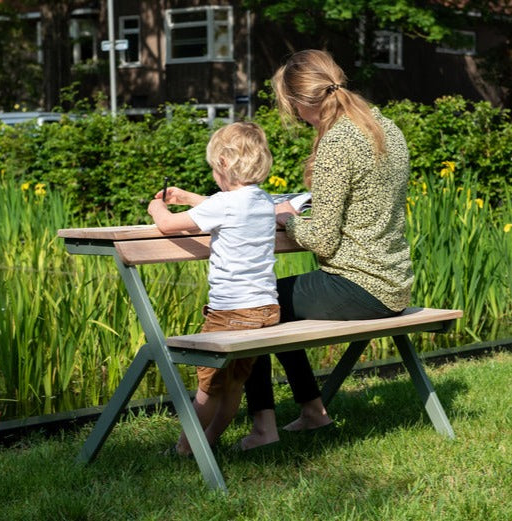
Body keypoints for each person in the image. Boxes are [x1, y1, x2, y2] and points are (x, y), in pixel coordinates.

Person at [241, 49, 414, 450]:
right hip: (393, 282)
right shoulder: (383, 126)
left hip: (359, 284)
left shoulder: (338, 141)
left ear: (301, 102)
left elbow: (322, 240)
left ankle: (264, 428)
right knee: (278, 302)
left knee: (252, 305)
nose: (295, 115)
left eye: (290, 106)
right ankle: (312, 411)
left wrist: (286, 216)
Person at [148, 121, 280, 456]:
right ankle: (206, 441)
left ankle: (184, 448)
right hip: (265, 311)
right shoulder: (262, 200)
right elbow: (228, 204)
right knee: (233, 384)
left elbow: (166, 226)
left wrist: (158, 207)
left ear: (223, 164)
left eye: (212, 168)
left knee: (207, 388)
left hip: (230, 314)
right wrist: (189, 198)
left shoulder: (223, 205)